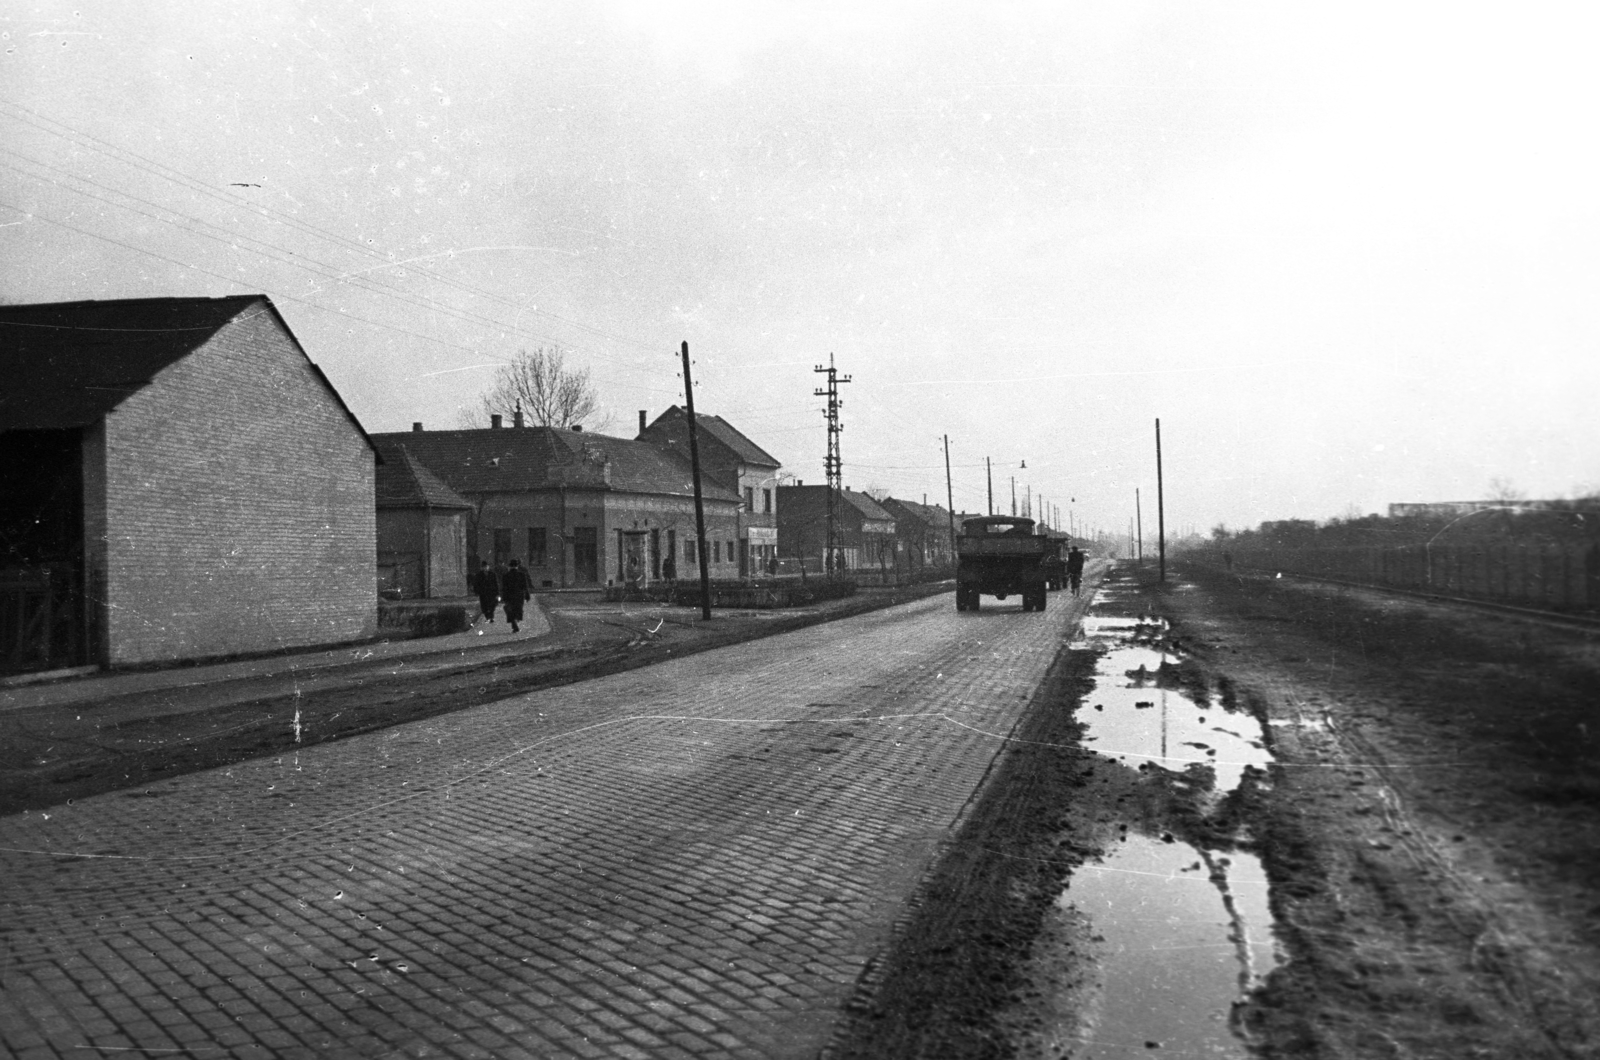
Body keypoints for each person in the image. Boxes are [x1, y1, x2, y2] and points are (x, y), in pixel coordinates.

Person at [500, 558, 532, 633]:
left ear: (510, 567)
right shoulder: (521, 575)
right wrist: (527, 595)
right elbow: (525, 586)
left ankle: (514, 623)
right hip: (519, 595)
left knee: (509, 609)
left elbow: (503, 588)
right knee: (517, 610)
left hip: (509, 596)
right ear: (517, 566)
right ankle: (515, 622)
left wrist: (503, 597)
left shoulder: (506, 576)